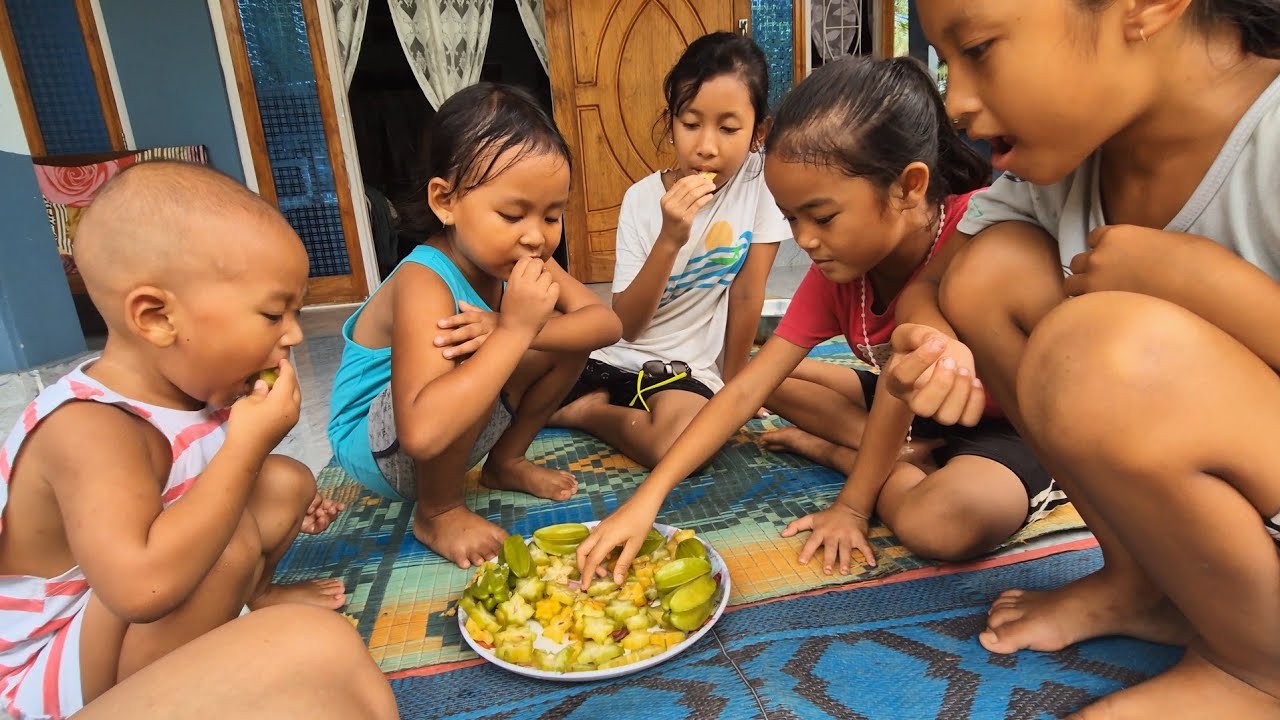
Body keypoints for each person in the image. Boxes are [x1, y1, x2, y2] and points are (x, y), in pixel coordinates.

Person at [881, 1, 1280, 716]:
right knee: (991, 274)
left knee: (1097, 351)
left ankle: (1259, 668)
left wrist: (1209, 286)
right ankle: (1144, 584)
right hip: (1233, 528)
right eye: (947, 61)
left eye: (979, 48)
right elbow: (940, 285)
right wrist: (932, 338)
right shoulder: (1066, 165)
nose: (957, 102)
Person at [574, 55, 1059, 582]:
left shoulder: (981, 237)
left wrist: (853, 506)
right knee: (758, 379)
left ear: (908, 186)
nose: (804, 240)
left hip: (1004, 426)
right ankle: (883, 458)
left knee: (942, 523)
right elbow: (743, 391)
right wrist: (647, 502)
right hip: (912, 408)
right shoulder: (837, 270)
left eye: (822, 217)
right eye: (791, 219)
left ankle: (850, 457)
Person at [0, 161, 392, 719]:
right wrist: (244, 448)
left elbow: (212, 487)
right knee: (226, 543)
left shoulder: (193, 394)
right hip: (45, 673)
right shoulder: (89, 428)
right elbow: (142, 588)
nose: (296, 334)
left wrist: (252, 461)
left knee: (284, 482)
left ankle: (257, 598)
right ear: (157, 317)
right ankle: (161, 695)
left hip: (112, 619)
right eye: (272, 313)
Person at [327, 83, 622, 569]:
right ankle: (438, 510)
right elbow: (420, 433)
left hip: (447, 425)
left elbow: (604, 324)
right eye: (512, 213)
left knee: (563, 334)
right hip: (381, 448)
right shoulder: (424, 278)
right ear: (445, 201)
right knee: (467, 342)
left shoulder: (524, 259)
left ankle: (505, 462)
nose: (536, 235)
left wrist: (522, 328)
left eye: (553, 215)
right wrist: (510, 332)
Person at [550, 32, 787, 468]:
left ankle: (591, 414)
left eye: (729, 128)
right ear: (671, 121)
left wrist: (736, 386)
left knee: (686, 450)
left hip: (683, 371)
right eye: (691, 124)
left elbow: (748, 292)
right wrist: (670, 237)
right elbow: (628, 326)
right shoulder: (641, 200)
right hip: (613, 357)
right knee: (506, 391)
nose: (706, 146)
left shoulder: (762, 185)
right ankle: (595, 399)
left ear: (759, 131)